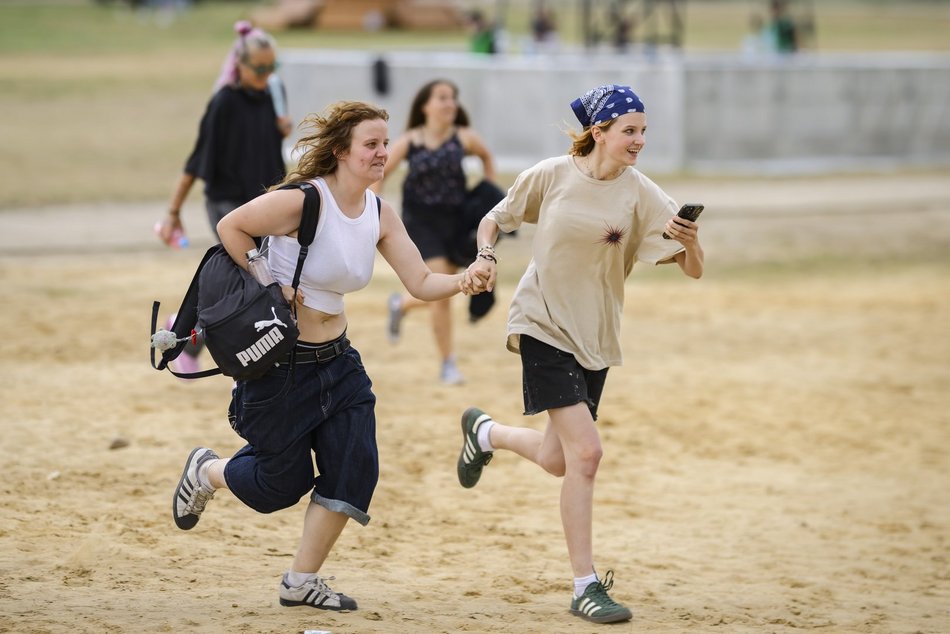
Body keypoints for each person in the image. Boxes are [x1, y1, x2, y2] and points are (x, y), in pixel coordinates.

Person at [171, 100, 485, 611]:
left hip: (339, 363)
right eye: (372, 145)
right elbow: (232, 226)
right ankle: (205, 471)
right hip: (280, 367)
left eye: (386, 144)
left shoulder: (380, 213)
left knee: (354, 468)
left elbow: (422, 281)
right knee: (279, 485)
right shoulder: (305, 201)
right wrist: (269, 284)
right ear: (341, 150)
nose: (383, 153)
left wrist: (464, 280)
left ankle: (300, 580)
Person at [455, 84, 705, 624]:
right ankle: (585, 586)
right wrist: (486, 255)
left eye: (642, 130)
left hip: (596, 335)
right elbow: (495, 217)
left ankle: (485, 434)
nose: (639, 140)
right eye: (629, 130)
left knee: (557, 459)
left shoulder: (642, 194)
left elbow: (693, 267)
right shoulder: (553, 175)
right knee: (587, 455)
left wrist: (692, 239)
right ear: (599, 132)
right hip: (541, 322)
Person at [158, 20, 290, 374]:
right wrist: (173, 211)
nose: (265, 75)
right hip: (228, 205)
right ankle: (236, 361)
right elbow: (198, 160)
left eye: (271, 67)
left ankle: (185, 334)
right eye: (258, 68)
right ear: (239, 65)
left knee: (251, 283)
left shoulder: (271, 99)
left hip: (262, 204)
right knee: (251, 281)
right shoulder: (225, 103)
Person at [374, 79, 497, 385]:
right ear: (425, 105)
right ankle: (448, 364)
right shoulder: (409, 140)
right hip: (420, 223)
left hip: (455, 221)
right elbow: (381, 172)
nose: (449, 104)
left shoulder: (464, 138)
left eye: (453, 98)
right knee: (442, 292)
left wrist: (492, 195)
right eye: (442, 98)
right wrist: (374, 208)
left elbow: (487, 158)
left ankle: (400, 304)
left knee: (447, 287)